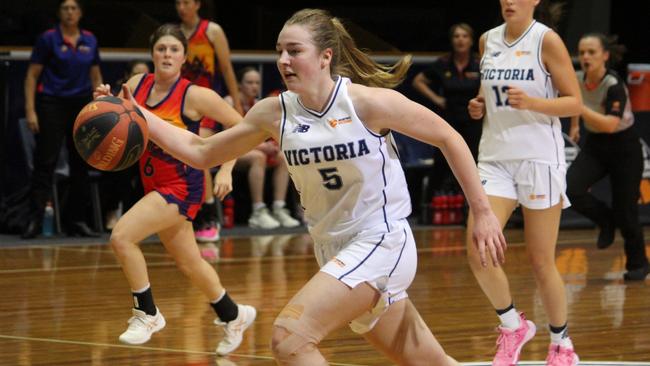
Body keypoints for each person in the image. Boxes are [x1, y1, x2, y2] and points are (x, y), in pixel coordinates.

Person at [124, 9, 506, 365]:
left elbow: (449, 137)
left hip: (382, 240)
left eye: (295, 51)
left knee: (288, 338)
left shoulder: (367, 103)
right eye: (280, 52)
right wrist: (138, 114)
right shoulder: (274, 113)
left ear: (325, 57)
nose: (284, 61)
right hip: (332, 247)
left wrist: (484, 212)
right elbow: (201, 151)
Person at [93, 24, 255, 356]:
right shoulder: (138, 85)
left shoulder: (195, 95)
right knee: (190, 262)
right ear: (153, 53)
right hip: (153, 182)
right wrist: (104, 103)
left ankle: (146, 313)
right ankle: (233, 314)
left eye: (174, 49)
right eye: (161, 49)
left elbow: (242, 126)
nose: (167, 54)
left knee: (121, 237)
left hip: (182, 186)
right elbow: (122, 119)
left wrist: (226, 168)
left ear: (184, 56)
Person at [466, 1, 582, 365]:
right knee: (479, 246)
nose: (508, 1)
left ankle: (561, 343)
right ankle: (512, 324)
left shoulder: (546, 41)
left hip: (538, 159)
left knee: (540, 260)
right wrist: (480, 104)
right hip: (495, 159)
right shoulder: (487, 41)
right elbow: (490, 92)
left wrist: (533, 102)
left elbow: (574, 103)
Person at [566, 33, 649, 281]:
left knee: (627, 210)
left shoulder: (613, 84)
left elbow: (611, 125)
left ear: (605, 55)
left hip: (624, 147)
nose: (585, 57)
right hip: (596, 145)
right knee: (572, 188)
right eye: (581, 52)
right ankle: (606, 221)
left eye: (591, 52)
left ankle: (639, 264)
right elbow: (573, 99)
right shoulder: (577, 79)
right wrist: (574, 124)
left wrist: (579, 110)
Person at [22, 0, 103, 239]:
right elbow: (31, 75)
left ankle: (76, 221)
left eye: (74, 8)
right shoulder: (48, 38)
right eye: (65, 8)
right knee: (45, 163)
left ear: (80, 13)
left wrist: (99, 108)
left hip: (81, 105)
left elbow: (96, 76)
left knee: (81, 164)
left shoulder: (90, 39)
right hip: (51, 103)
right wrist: (30, 110)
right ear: (60, 13)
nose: (70, 12)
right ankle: (34, 221)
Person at [176, 0, 243, 242]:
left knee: (199, 152)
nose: (181, 7)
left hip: (206, 104)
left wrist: (236, 104)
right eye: (178, 3)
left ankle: (208, 214)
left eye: (186, 2)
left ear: (196, 4)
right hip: (179, 103)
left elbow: (226, 69)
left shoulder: (212, 31)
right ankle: (184, 212)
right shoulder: (174, 35)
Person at [225, 67, 300, 229]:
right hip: (229, 152)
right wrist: (261, 147)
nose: (254, 86)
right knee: (258, 157)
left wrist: (271, 145)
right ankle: (258, 211)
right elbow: (231, 137)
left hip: (251, 148)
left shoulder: (258, 104)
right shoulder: (230, 101)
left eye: (257, 83)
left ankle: (279, 208)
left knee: (282, 156)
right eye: (249, 82)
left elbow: (265, 134)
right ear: (239, 85)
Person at [412, 23, 482, 196]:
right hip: (449, 119)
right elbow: (418, 81)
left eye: (464, 36)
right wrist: (437, 99)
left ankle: (471, 206)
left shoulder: (480, 63)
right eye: (456, 36)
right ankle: (429, 207)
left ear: (471, 40)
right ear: (451, 40)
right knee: (442, 162)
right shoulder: (443, 63)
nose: (460, 40)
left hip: (473, 121)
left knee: (474, 162)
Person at [102, 60, 151, 231]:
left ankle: (140, 216)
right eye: (136, 74)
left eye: (144, 75)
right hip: (121, 149)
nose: (140, 78)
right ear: (127, 77)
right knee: (118, 168)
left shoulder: (154, 98)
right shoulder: (118, 98)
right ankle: (112, 211)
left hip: (147, 151)